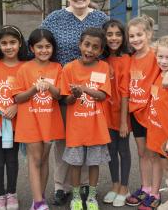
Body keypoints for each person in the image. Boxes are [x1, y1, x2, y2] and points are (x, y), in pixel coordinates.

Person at [41, 0, 109, 206]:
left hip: (92, 87)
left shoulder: (100, 17)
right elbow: (39, 45)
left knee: (88, 138)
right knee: (64, 141)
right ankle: (62, 186)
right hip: (64, 86)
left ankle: (87, 188)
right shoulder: (54, 18)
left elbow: (114, 44)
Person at [13, 29, 65, 210]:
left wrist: (49, 86)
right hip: (30, 122)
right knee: (34, 160)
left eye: (48, 46)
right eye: (39, 46)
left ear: (53, 48)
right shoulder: (24, 69)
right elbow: (18, 98)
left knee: (44, 160)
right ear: (31, 48)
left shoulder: (57, 68)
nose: (44, 50)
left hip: (49, 121)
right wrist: (34, 89)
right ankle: (38, 202)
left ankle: (39, 198)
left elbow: (59, 96)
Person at [61, 28, 111, 210]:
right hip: (76, 128)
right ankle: (75, 197)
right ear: (80, 45)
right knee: (75, 164)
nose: (90, 50)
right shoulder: (69, 68)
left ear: (101, 50)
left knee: (94, 163)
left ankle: (91, 197)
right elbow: (66, 100)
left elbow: (102, 95)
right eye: (86, 45)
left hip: (96, 127)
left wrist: (83, 89)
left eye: (95, 47)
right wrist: (74, 95)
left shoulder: (103, 67)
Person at [125, 16, 164, 210]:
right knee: (142, 153)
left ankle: (155, 193)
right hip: (136, 112)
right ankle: (146, 187)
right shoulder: (131, 59)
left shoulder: (157, 55)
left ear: (148, 34)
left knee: (154, 154)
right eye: (131, 36)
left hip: (153, 113)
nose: (135, 39)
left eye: (139, 34)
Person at [0, 25, 28, 210]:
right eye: (4, 43)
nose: (9, 46)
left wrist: (16, 106)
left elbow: (29, 93)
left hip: (16, 124)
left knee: (12, 160)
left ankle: (11, 193)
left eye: (12, 42)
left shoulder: (26, 66)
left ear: (20, 44)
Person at [102, 19, 131, 207]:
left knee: (123, 150)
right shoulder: (101, 59)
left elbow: (124, 93)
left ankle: (125, 187)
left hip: (121, 114)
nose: (114, 38)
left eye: (118, 34)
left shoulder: (126, 59)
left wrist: (123, 122)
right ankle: (114, 185)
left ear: (123, 36)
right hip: (105, 114)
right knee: (110, 150)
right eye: (109, 34)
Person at [147, 35, 168, 210]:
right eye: (160, 56)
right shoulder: (161, 73)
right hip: (160, 132)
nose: (163, 61)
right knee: (167, 165)